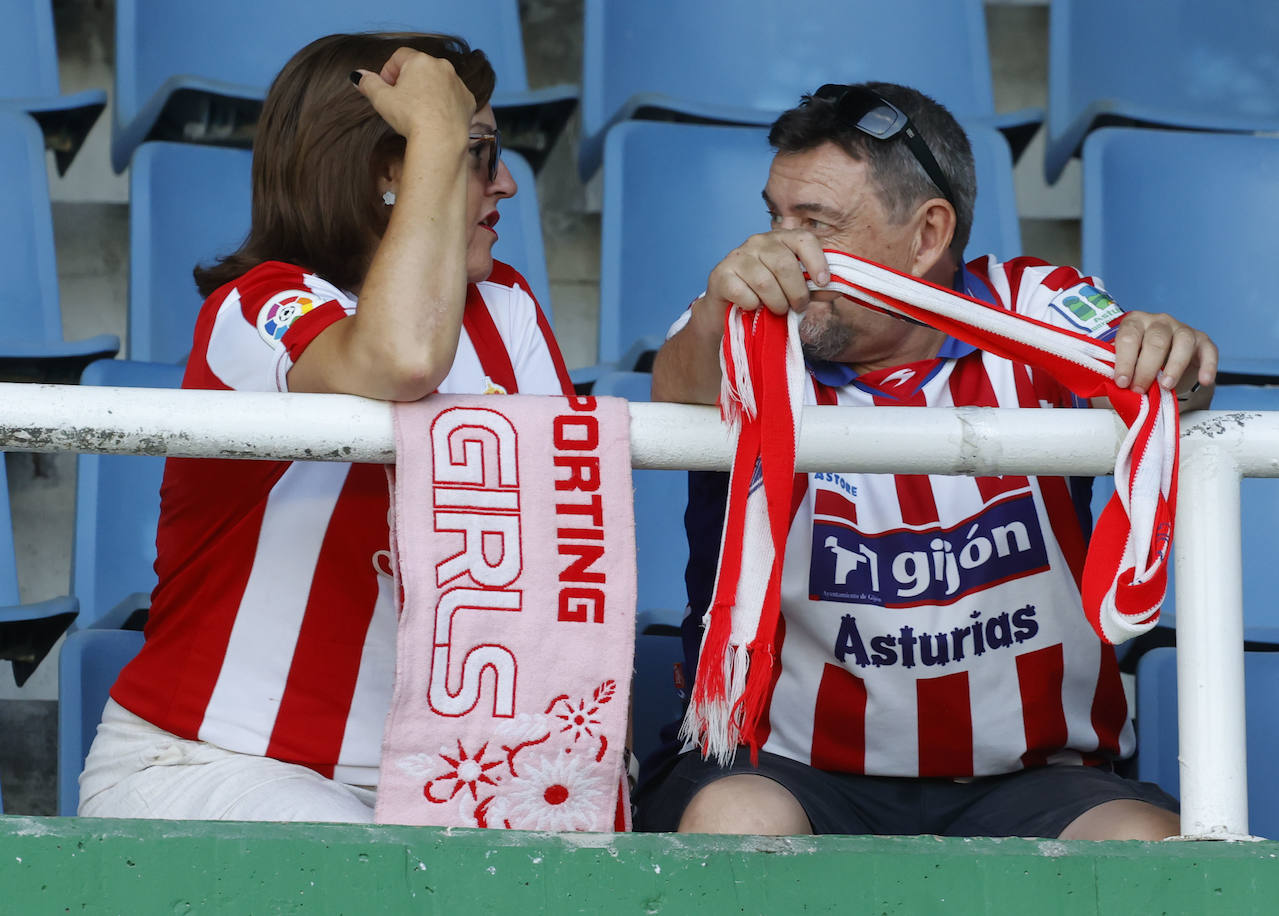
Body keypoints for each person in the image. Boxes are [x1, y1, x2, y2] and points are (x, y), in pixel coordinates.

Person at [638, 82, 1217, 840]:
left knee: (1148, 851)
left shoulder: (1036, 302)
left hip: (1036, 779)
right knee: (733, 822)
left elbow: (1150, 371)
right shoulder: (744, 320)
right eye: (775, 218)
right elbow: (678, 384)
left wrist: (1171, 357)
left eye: (817, 225)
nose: (786, 250)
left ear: (927, 234)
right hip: (785, 767)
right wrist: (725, 306)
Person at [77, 32, 573, 822]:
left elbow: (563, 542)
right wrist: (439, 143)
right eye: (482, 151)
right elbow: (402, 358)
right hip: (217, 762)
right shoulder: (256, 304)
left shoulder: (507, 308)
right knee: (372, 879)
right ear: (390, 168)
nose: (506, 182)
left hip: (444, 779)